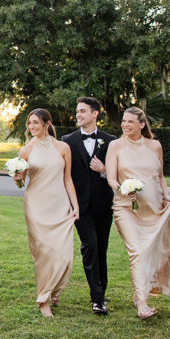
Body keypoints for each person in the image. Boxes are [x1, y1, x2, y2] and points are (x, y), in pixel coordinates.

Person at [105, 107, 170, 320]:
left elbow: (160, 176)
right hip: (125, 208)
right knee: (137, 250)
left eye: (131, 122)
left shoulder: (155, 146)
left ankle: (141, 294)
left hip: (153, 208)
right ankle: (142, 303)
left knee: (153, 251)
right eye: (124, 121)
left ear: (142, 124)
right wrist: (123, 191)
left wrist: (166, 195)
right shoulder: (115, 146)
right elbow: (111, 178)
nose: (126, 125)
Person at [12, 109, 78, 317]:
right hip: (36, 206)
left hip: (59, 204)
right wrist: (17, 177)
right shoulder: (26, 151)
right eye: (29, 123)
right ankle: (44, 299)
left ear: (47, 124)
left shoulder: (63, 148)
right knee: (43, 254)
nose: (31, 127)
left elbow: (68, 179)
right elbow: (21, 182)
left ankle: (56, 289)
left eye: (35, 123)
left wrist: (75, 205)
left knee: (65, 255)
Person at [61, 97, 116, 314]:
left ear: (95, 114)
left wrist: (103, 170)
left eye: (83, 111)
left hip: (104, 205)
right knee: (90, 246)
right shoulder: (68, 140)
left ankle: (101, 289)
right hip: (80, 207)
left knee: (101, 249)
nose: (78, 115)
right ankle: (98, 298)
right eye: (77, 111)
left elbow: (118, 172)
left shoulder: (110, 140)